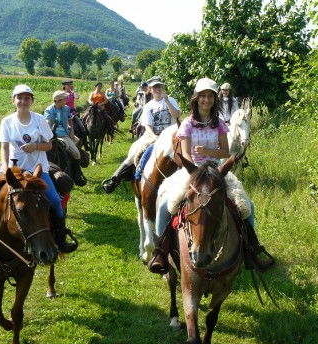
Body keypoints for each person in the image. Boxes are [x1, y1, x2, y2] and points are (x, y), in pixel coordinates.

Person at [148, 77, 273, 274]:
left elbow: (224, 151)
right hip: (193, 171)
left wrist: (209, 151)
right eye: (203, 96)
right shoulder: (187, 124)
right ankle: (161, 252)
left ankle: (251, 250)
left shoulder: (220, 124)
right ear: (196, 99)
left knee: (247, 207)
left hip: (217, 170)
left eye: (210, 96)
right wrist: (195, 168)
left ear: (215, 99)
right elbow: (186, 153)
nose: (207, 100)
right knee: (166, 205)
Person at [0, 84, 77, 253]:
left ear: (32, 101)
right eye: (19, 98)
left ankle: (61, 237)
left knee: (56, 201)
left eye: (27, 98)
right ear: (13, 100)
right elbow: (4, 147)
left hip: (38, 170)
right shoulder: (7, 121)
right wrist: (6, 167)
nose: (23, 101)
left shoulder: (39, 120)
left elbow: (49, 145)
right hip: (13, 171)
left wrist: (36, 146)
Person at [102, 76, 180, 194]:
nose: (157, 89)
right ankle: (115, 178)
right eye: (155, 87)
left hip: (172, 135)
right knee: (135, 151)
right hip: (153, 135)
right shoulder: (149, 106)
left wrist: (167, 101)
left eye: (159, 86)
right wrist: (154, 137)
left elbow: (177, 115)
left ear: (163, 87)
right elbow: (147, 126)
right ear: (150, 89)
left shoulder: (171, 100)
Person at [44, 90, 87, 187]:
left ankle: (77, 175)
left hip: (64, 135)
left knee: (76, 152)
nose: (66, 101)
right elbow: (48, 122)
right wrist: (48, 133)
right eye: (64, 99)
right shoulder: (49, 110)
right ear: (57, 100)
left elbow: (69, 120)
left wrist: (71, 132)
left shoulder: (66, 108)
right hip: (52, 136)